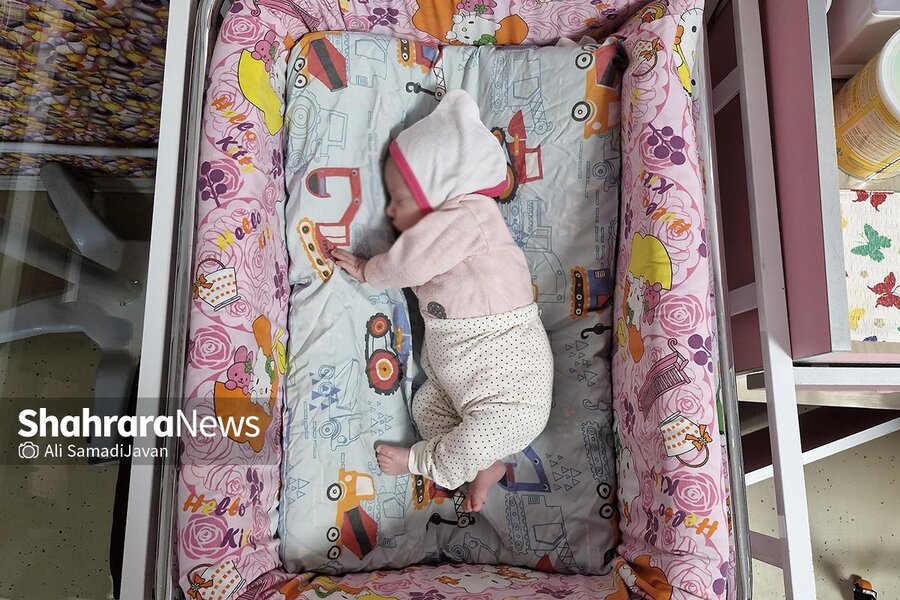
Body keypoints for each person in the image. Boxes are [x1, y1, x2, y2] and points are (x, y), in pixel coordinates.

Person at [331, 90, 553, 512]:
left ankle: (423, 462)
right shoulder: (452, 225)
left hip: (512, 397)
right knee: (426, 407)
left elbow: (409, 264)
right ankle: (486, 467)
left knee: (469, 439)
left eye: (399, 201)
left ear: (438, 190)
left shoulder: (470, 217)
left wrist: (366, 269)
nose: (391, 214)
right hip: (457, 379)